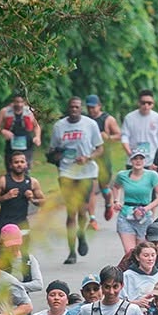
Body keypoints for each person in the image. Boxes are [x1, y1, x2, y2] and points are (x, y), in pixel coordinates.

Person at [48, 97, 104, 264]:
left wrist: (88, 157)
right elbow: (52, 151)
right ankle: (72, 252)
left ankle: (81, 233)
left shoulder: (90, 124)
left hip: (86, 172)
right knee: (71, 212)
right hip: (66, 172)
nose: (74, 109)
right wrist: (59, 155)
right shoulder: (59, 126)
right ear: (68, 108)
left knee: (82, 210)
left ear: (81, 109)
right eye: (71, 107)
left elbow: (99, 148)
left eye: (77, 107)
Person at [110, 149, 158, 255]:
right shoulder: (122, 175)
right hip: (126, 215)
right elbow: (115, 187)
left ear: (144, 161)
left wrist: (146, 208)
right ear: (131, 161)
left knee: (143, 251)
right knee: (130, 252)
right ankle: (130, 271)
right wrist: (116, 201)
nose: (138, 161)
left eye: (141, 159)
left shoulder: (152, 175)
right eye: (135, 159)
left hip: (144, 217)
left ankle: (141, 271)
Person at [0, 150, 45, 239]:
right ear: (11, 165)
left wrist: (32, 199)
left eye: (22, 162)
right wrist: (5, 197)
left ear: (26, 164)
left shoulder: (32, 182)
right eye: (16, 162)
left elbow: (43, 201)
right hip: (5, 223)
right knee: (3, 251)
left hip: (22, 223)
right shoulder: (3, 181)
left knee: (24, 252)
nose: (19, 164)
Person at [84, 94, 122, 227]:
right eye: (89, 107)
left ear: (99, 106)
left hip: (104, 157)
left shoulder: (108, 119)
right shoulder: (85, 120)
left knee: (104, 188)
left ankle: (108, 203)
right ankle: (92, 219)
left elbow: (119, 135)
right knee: (91, 188)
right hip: (89, 157)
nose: (91, 110)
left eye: (93, 107)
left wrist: (108, 137)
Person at [0, 94, 41, 165]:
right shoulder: (5, 111)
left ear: (25, 102)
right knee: (11, 167)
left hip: (27, 144)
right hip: (11, 144)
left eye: (21, 102)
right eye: (17, 102)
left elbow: (37, 126)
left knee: (26, 167)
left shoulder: (30, 112)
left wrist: (37, 137)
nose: (19, 104)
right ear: (12, 102)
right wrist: (2, 131)